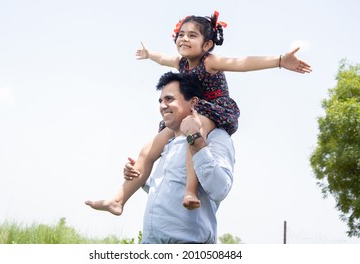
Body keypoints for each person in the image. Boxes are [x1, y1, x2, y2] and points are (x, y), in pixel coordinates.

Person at [85, 11, 312, 214]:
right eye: (181, 34)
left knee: (194, 127)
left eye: (192, 35)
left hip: (215, 110)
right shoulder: (180, 62)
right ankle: (118, 200)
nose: (184, 38)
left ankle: (190, 191)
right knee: (150, 148)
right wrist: (149, 54)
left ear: (206, 45)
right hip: (192, 109)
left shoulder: (210, 61)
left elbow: (242, 63)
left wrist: (280, 60)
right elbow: (162, 58)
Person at [134, 71, 235, 243]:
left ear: (193, 103)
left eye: (169, 99)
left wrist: (195, 139)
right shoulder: (168, 141)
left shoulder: (216, 137)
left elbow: (220, 189)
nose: (162, 106)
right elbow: (171, 188)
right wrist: (141, 179)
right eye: (160, 101)